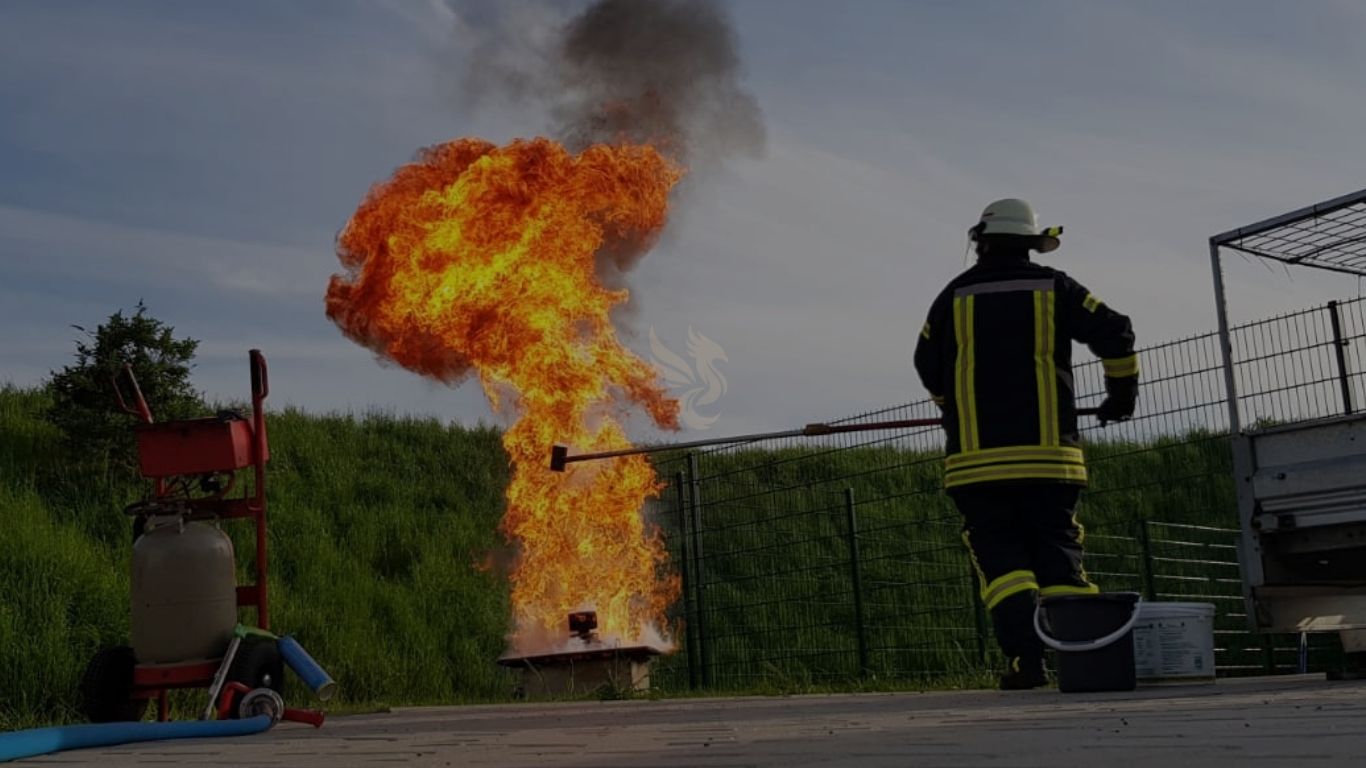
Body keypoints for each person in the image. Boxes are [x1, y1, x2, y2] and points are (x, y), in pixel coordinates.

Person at [913, 198, 1139, 690]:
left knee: (1004, 567)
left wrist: (950, 406)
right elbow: (1117, 332)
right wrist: (1120, 397)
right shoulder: (1054, 286)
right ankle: (1080, 659)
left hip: (977, 465)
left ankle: (1026, 664)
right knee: (1057, 558)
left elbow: (926, 361)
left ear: (980, 241)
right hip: (1050, 460)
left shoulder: (952, 295)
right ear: (1032, 244)